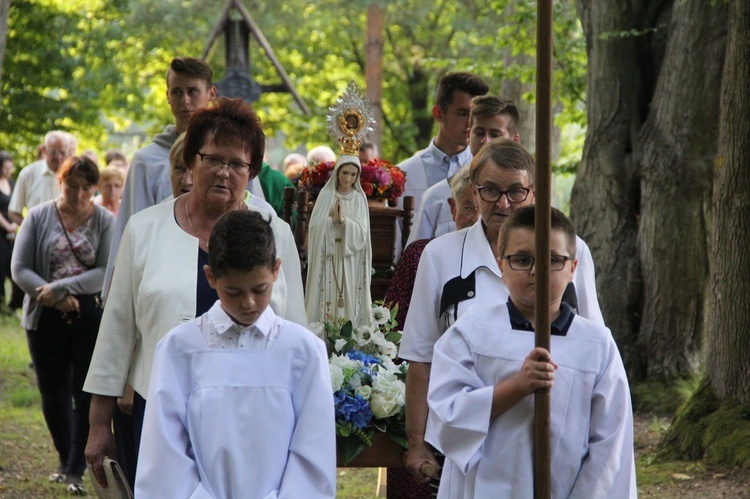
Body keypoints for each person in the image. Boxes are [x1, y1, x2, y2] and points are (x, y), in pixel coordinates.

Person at [83, 98, 306, 489]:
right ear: (190, 162)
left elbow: (296, 332)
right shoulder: (145, 228)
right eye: (213, 159)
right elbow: (116, 331)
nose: (224, 173)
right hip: (159, 414)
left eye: (237, 164)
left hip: (252, 416)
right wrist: (99, 424)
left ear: (251, 170)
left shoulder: (275, 232)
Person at [399, 138, 605, 488]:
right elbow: (421, 357)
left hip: (556, 440)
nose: (503, 203)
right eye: (490, 190)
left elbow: (591, 345)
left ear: (534, 192)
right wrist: (417, 444)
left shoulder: (570, 251)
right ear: (474, 193)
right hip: (468, 447)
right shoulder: (440, 256)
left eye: (515, 191)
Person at [427, 206, 636, 497]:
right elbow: (446, 417)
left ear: (573, 268)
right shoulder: (472, 332)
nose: (537, 271)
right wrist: (517, 387)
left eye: (553, 260)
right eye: (522, 260)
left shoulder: (596, 346)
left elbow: (611, 447)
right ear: (501, 265)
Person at [135, 210, 336, 498]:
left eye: (260, 289)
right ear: (211, 277)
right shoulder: (180, 349)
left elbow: (312, 452)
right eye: (233, 291)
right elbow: (164, 452)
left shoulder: (302, 351)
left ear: (276, 269)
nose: (249, 303)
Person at [11, 156, 115, 495]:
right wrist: (52, 296)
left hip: (88, 313)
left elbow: (104, 271)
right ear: (61, 183)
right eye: (73, 186)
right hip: (44, 311)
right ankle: (62, 455)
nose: (80, 194)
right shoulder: (39, 216)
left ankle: (74, 466)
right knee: (52, 393)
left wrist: (64, 288)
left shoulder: (104, 220)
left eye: (88, 188)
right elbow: (20, 267)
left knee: (84, 392)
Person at [383, 164, 476, 498]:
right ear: (452, 209)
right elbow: (393, 326)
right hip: (426, 398)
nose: (477, 218)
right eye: (468, 207)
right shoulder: (424, 254)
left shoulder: (517, 261)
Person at [408, 95, 520, 245]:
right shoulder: (437, 197)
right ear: (468, 135)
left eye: (495, 134)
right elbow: (415, 258)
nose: (486, 141)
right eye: (480, 133)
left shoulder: (524, 199)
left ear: (514, 140)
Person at [305, 155, 372, 327]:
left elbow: (363, 232)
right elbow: (314, 227)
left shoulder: (359, 198)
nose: (348, 178)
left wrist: (344, 222)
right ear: (337, 173)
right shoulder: (327, 195)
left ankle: (349, 334)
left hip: (350, 259)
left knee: (348, 296)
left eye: (353, 174)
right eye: (345, 173)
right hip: (329, 257)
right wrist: (331, 222)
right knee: (328, 294)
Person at [8, 130, 72, 225]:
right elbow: (14, 211)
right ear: (44, 150)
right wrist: (31, 229)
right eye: (54, 152)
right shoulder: (28, 174)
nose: (58, 157)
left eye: (63, 153)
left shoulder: (73, 175)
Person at [0, 151, 19, 311]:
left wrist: (15, 225)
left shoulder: (11, 183)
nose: (7, 172)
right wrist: (7, 225)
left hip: (12, 231)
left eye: (9, 169)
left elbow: (15, 206)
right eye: (5, 168)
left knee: (14, 265)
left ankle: (14, 304)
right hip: (2, 230)